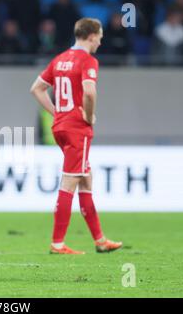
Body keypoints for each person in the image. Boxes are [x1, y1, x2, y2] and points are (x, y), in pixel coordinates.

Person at [30, 18, 122, 254]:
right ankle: (57, 243)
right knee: (70, 180)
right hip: (76, 129)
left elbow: (36, 89)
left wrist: (57, 112)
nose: (101, 42)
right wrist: (89, 117)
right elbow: (89, 93)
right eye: (100, 37)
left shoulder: (59, 59)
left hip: (61, 126)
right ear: (91, 36)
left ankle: (100, 240)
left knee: (85, 178)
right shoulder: (88, 61)